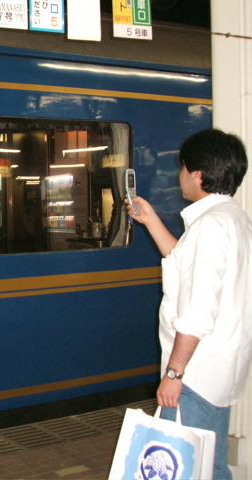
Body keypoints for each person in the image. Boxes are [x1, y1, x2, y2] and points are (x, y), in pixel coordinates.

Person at [126, 128, 252, 480]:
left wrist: (174, 375)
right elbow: (183, 262)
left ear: (198, 174)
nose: (179, 175)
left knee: (179, 467)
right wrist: (150, 219)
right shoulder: (233, 219)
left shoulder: (209, 228)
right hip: (220, 374)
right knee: (210, 465)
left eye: (182, 167)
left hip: (195, 375)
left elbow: (196, 314)